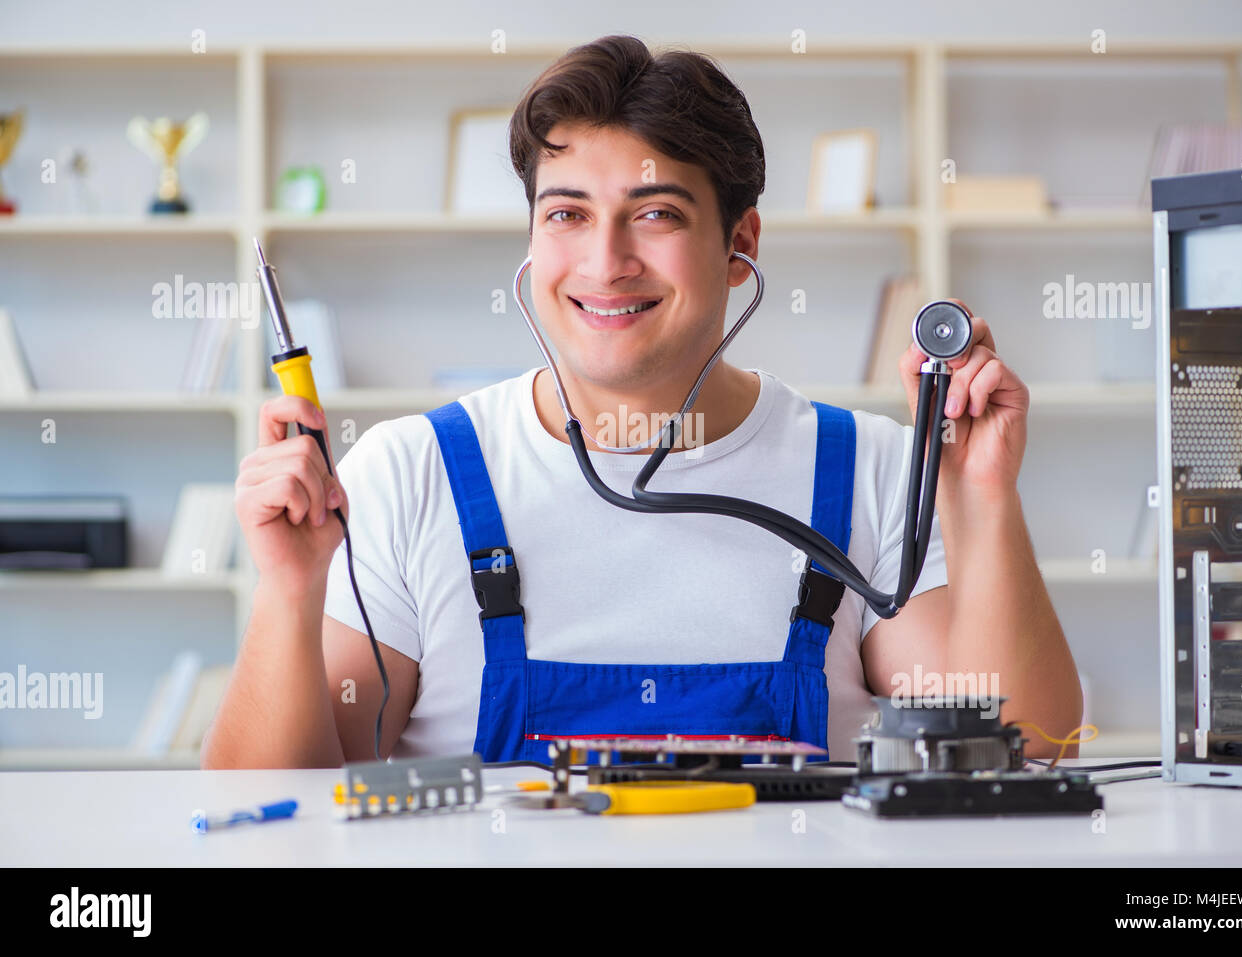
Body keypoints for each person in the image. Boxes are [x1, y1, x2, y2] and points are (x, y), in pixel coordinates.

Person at [201, 35, 1082, 769]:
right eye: (568, 215)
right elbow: (268, 817)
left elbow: (1031, 751)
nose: (605, 261)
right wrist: (288, 589)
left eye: (655, 214)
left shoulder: (872, 471)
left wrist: (984, 496)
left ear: (739, 246)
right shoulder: (409, 474)